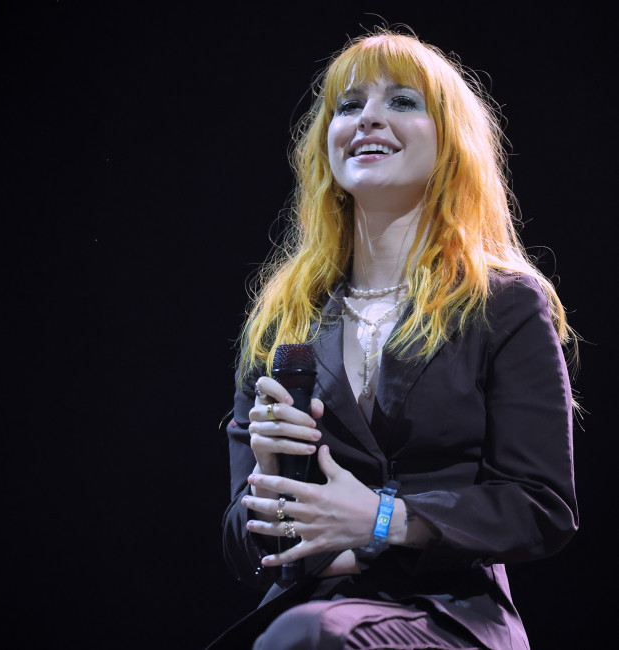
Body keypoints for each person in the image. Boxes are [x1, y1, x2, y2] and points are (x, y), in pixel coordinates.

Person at [213, 29, 578, 650]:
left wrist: (384, 520)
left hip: (447, 615)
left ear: (450, 142)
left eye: (402, 102)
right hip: (308, 612)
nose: (368, 118)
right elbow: (247, 551)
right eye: (349, 106)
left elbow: (540, 506)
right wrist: (268, 479)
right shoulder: (285, 320)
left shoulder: (503, 304)